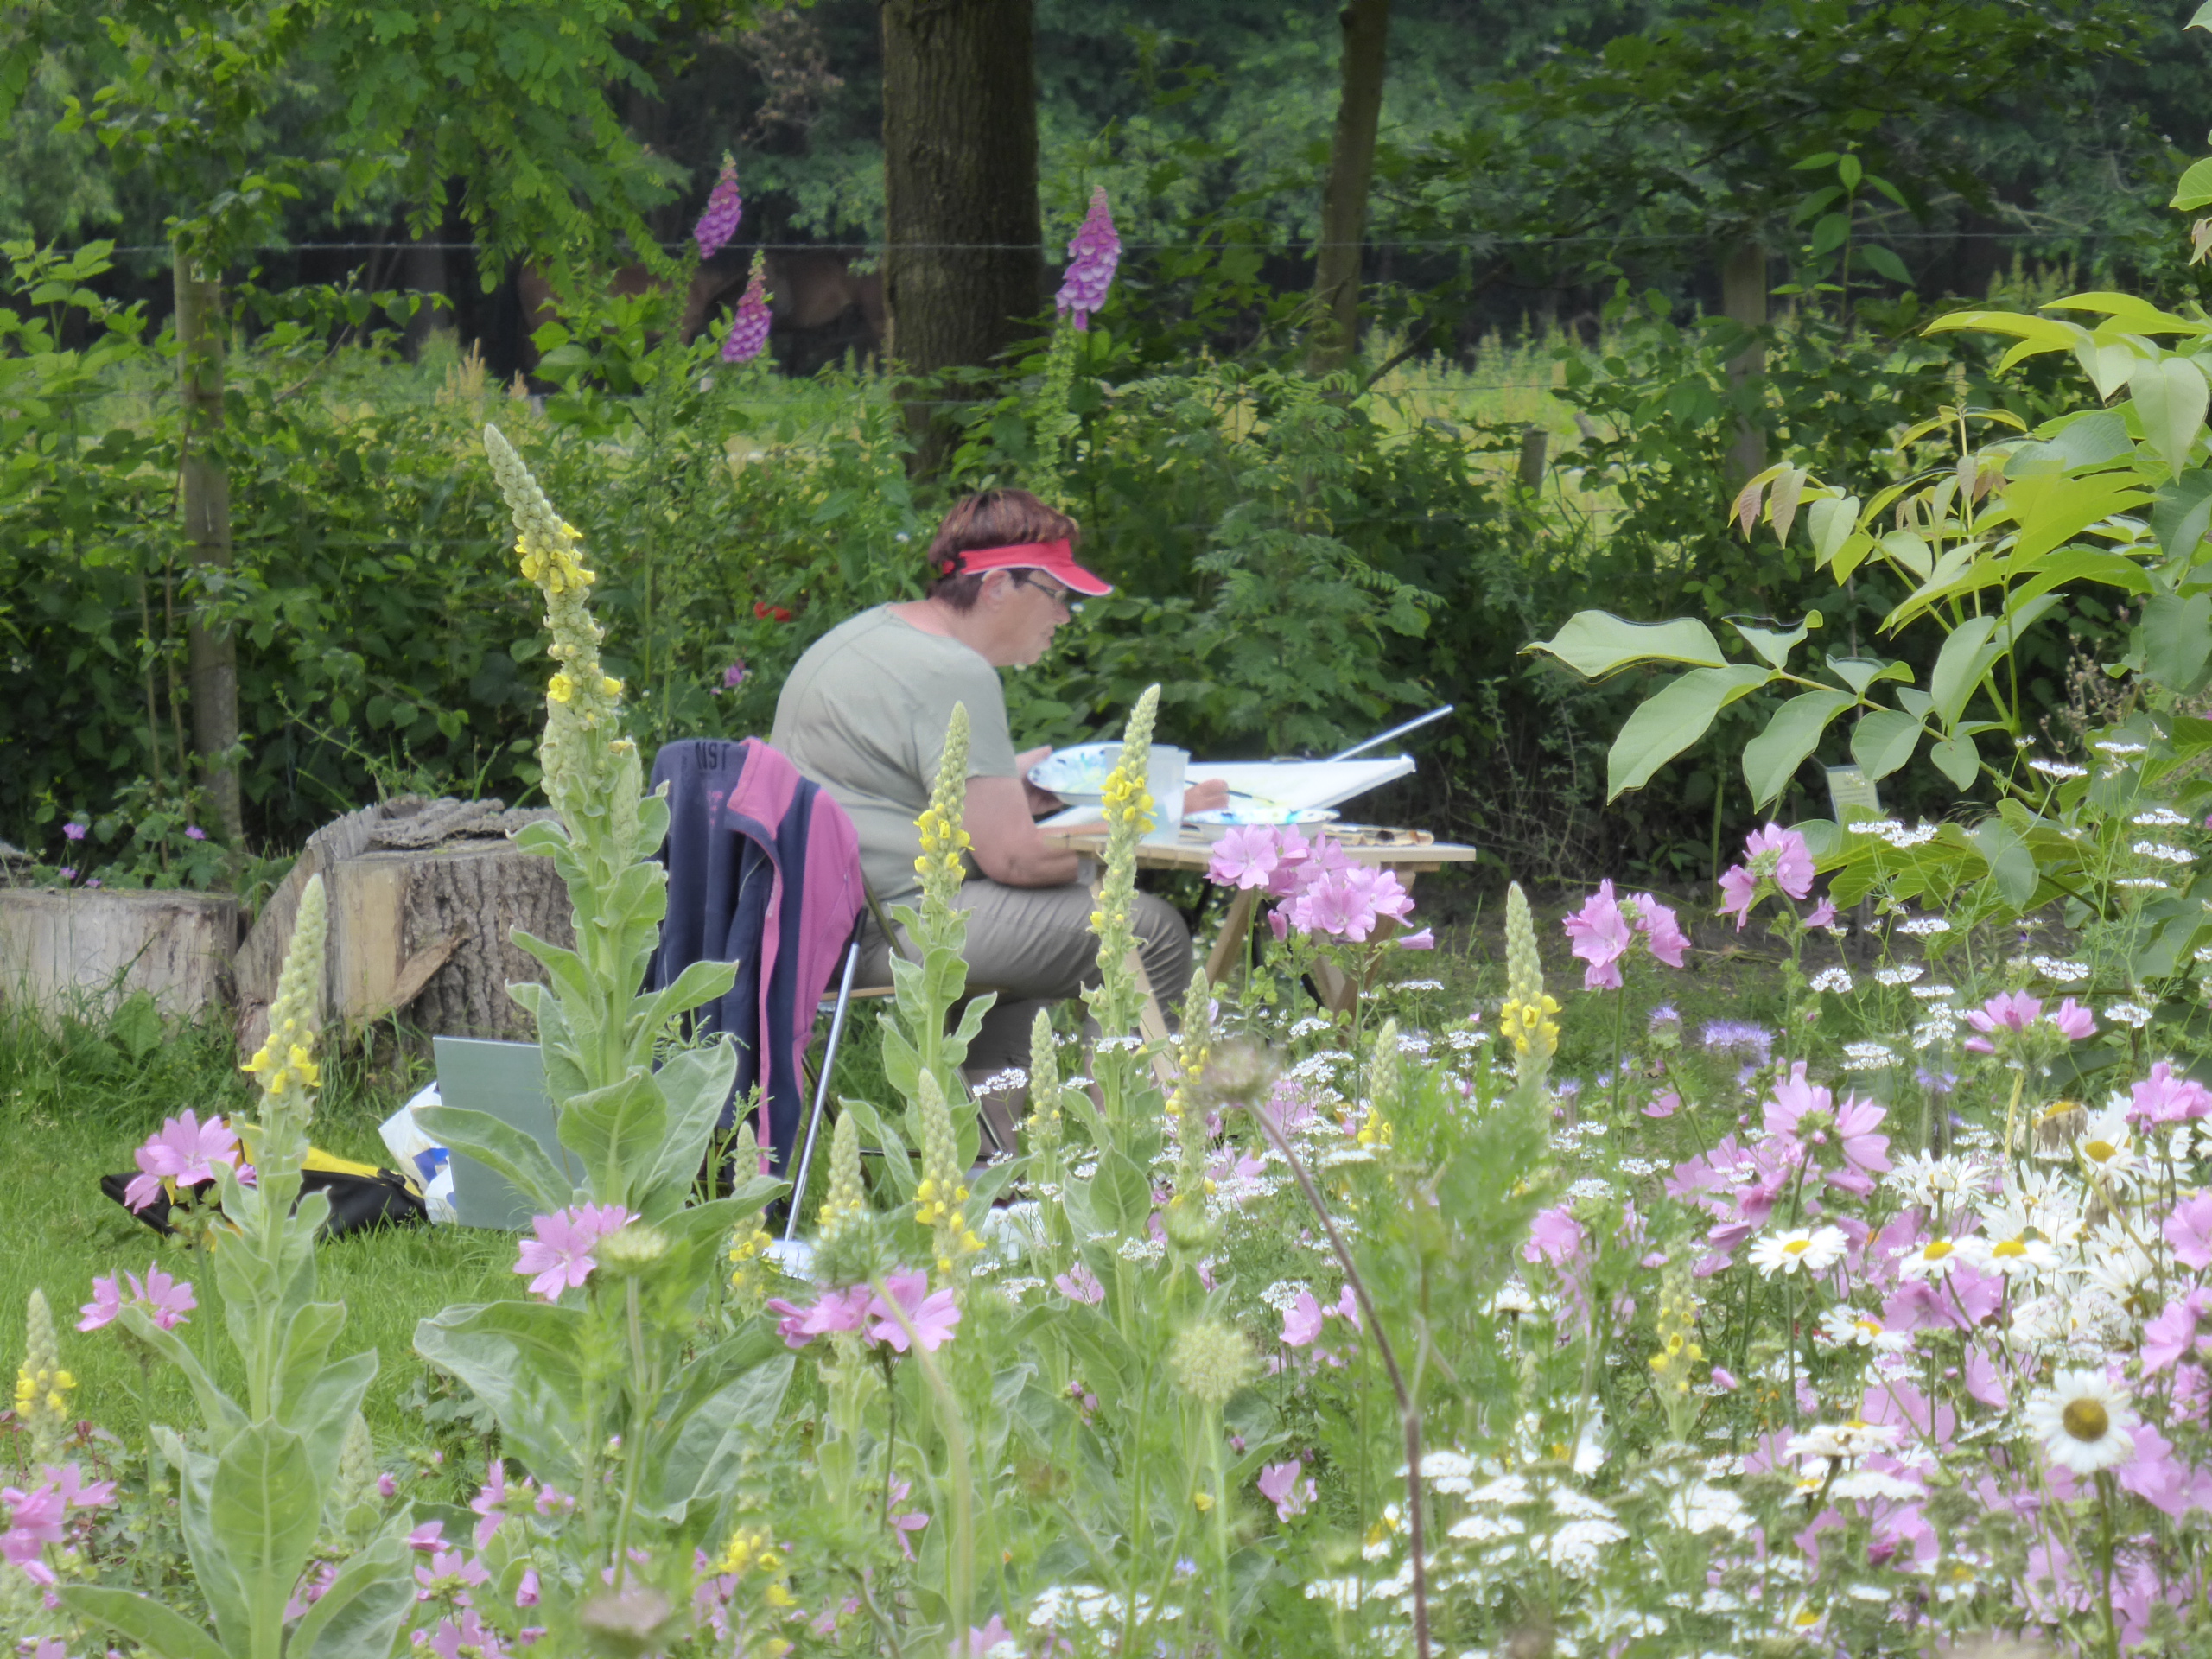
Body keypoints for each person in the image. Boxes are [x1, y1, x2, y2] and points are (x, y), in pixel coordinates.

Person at [771, 489, 1226, 1122]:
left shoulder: (868, 636)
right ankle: (1145, 1164)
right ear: (998, 587)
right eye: (1058, 595)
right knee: (1149, 933)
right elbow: (1015, 859)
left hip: (824, 923)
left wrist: (1012, 786)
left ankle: (1001, 1180)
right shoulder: (953, 671)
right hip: (896, 924)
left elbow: (884, 781)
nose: (1064, 617)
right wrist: (1159, 810)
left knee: (1036, 953)